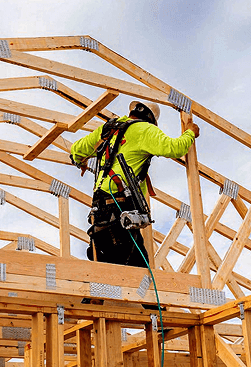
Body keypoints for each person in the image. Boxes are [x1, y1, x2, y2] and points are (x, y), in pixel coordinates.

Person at [70, 100, 199, 268]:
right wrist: (190, 133)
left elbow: (76, 150)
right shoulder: (145, 129)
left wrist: (81, 161)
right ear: (151, 118)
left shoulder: (109, 128)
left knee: (109, 270)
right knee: (140, 275)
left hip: (99, 209)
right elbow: (174, 148)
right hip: (120, 208)